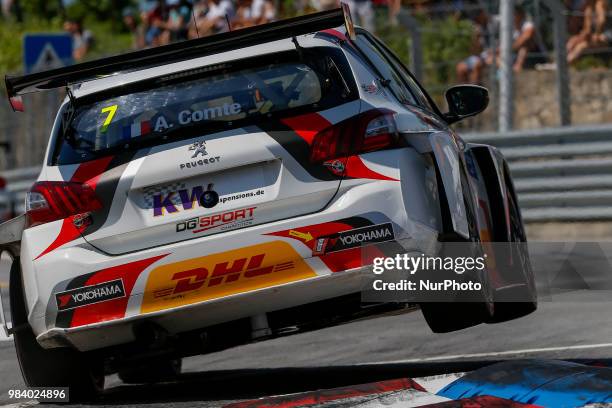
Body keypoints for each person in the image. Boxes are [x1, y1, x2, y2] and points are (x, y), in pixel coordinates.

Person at [456, 9, 489, 84]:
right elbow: (472, 51)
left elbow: (480, 51)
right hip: (476, 56)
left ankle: (474, 92)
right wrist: (474, 39)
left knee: (477, 65)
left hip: (486, 55)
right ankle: (463, 93)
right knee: (460, 67)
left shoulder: (492, 24)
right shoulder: (475, 28)